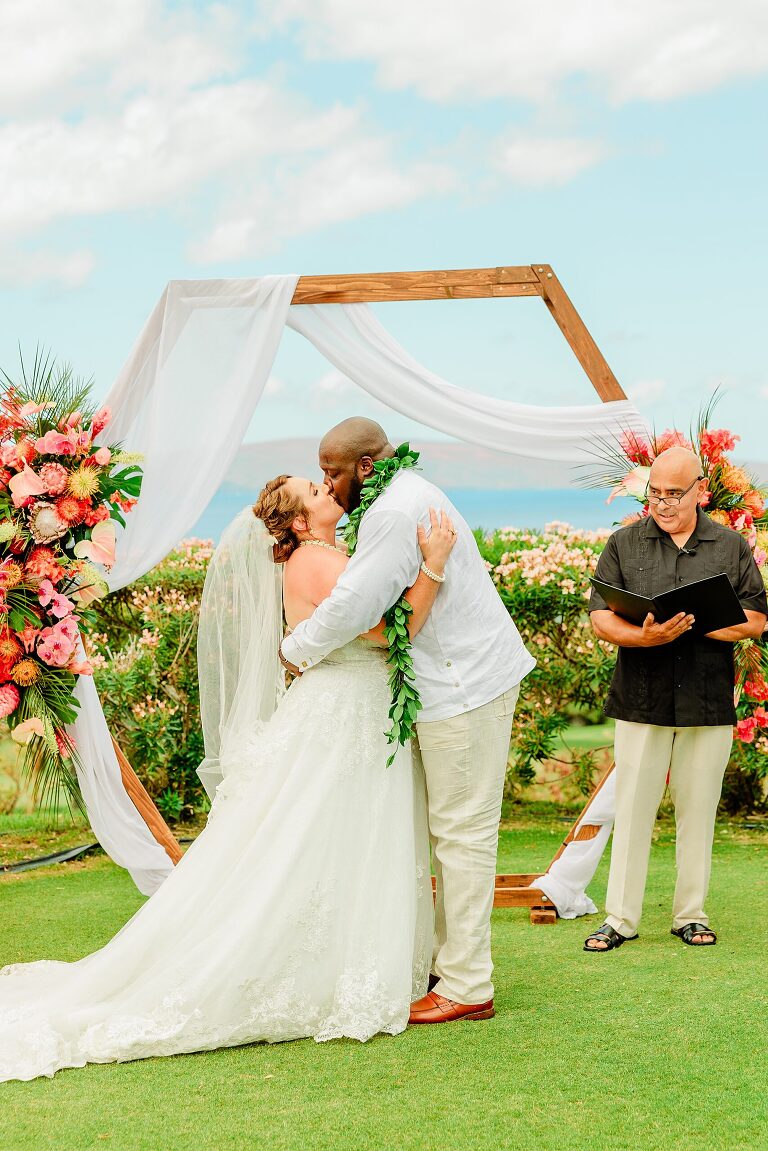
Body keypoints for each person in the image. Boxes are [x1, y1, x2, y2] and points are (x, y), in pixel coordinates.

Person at [0, 475, 456, 1082]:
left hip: (352, 712)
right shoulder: (316, 561)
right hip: (342, 714)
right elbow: (387, 630)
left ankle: (356, 954)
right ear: (299, 522)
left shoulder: (326, 554)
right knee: (325, 837)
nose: (327, 489)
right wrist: (433, 568)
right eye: (315, 489)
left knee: (337, 838)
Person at [280, 418, 535, 1024]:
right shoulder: (395, 497)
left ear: (366, 466)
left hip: (465, 685)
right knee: (449, 832)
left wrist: (295, 649)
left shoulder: (394, 510)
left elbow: (355, 606)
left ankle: (467, 986)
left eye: (332, 472)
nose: (327, 483)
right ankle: (449, 965)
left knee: (463, 834)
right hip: (451, 682)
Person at [583, 447, 767, 952]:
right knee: (632, 811)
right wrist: (645, 637)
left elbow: (756, 619)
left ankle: (690, 915)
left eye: (673, 494)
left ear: (700, 491)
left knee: (697, 812)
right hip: (641, 698)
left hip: (707, 702)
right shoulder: (624, 543)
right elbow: (601, 617)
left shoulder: (729, 545)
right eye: (655, 494)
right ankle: (620, 919)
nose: (662, 504)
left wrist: (698, 623)